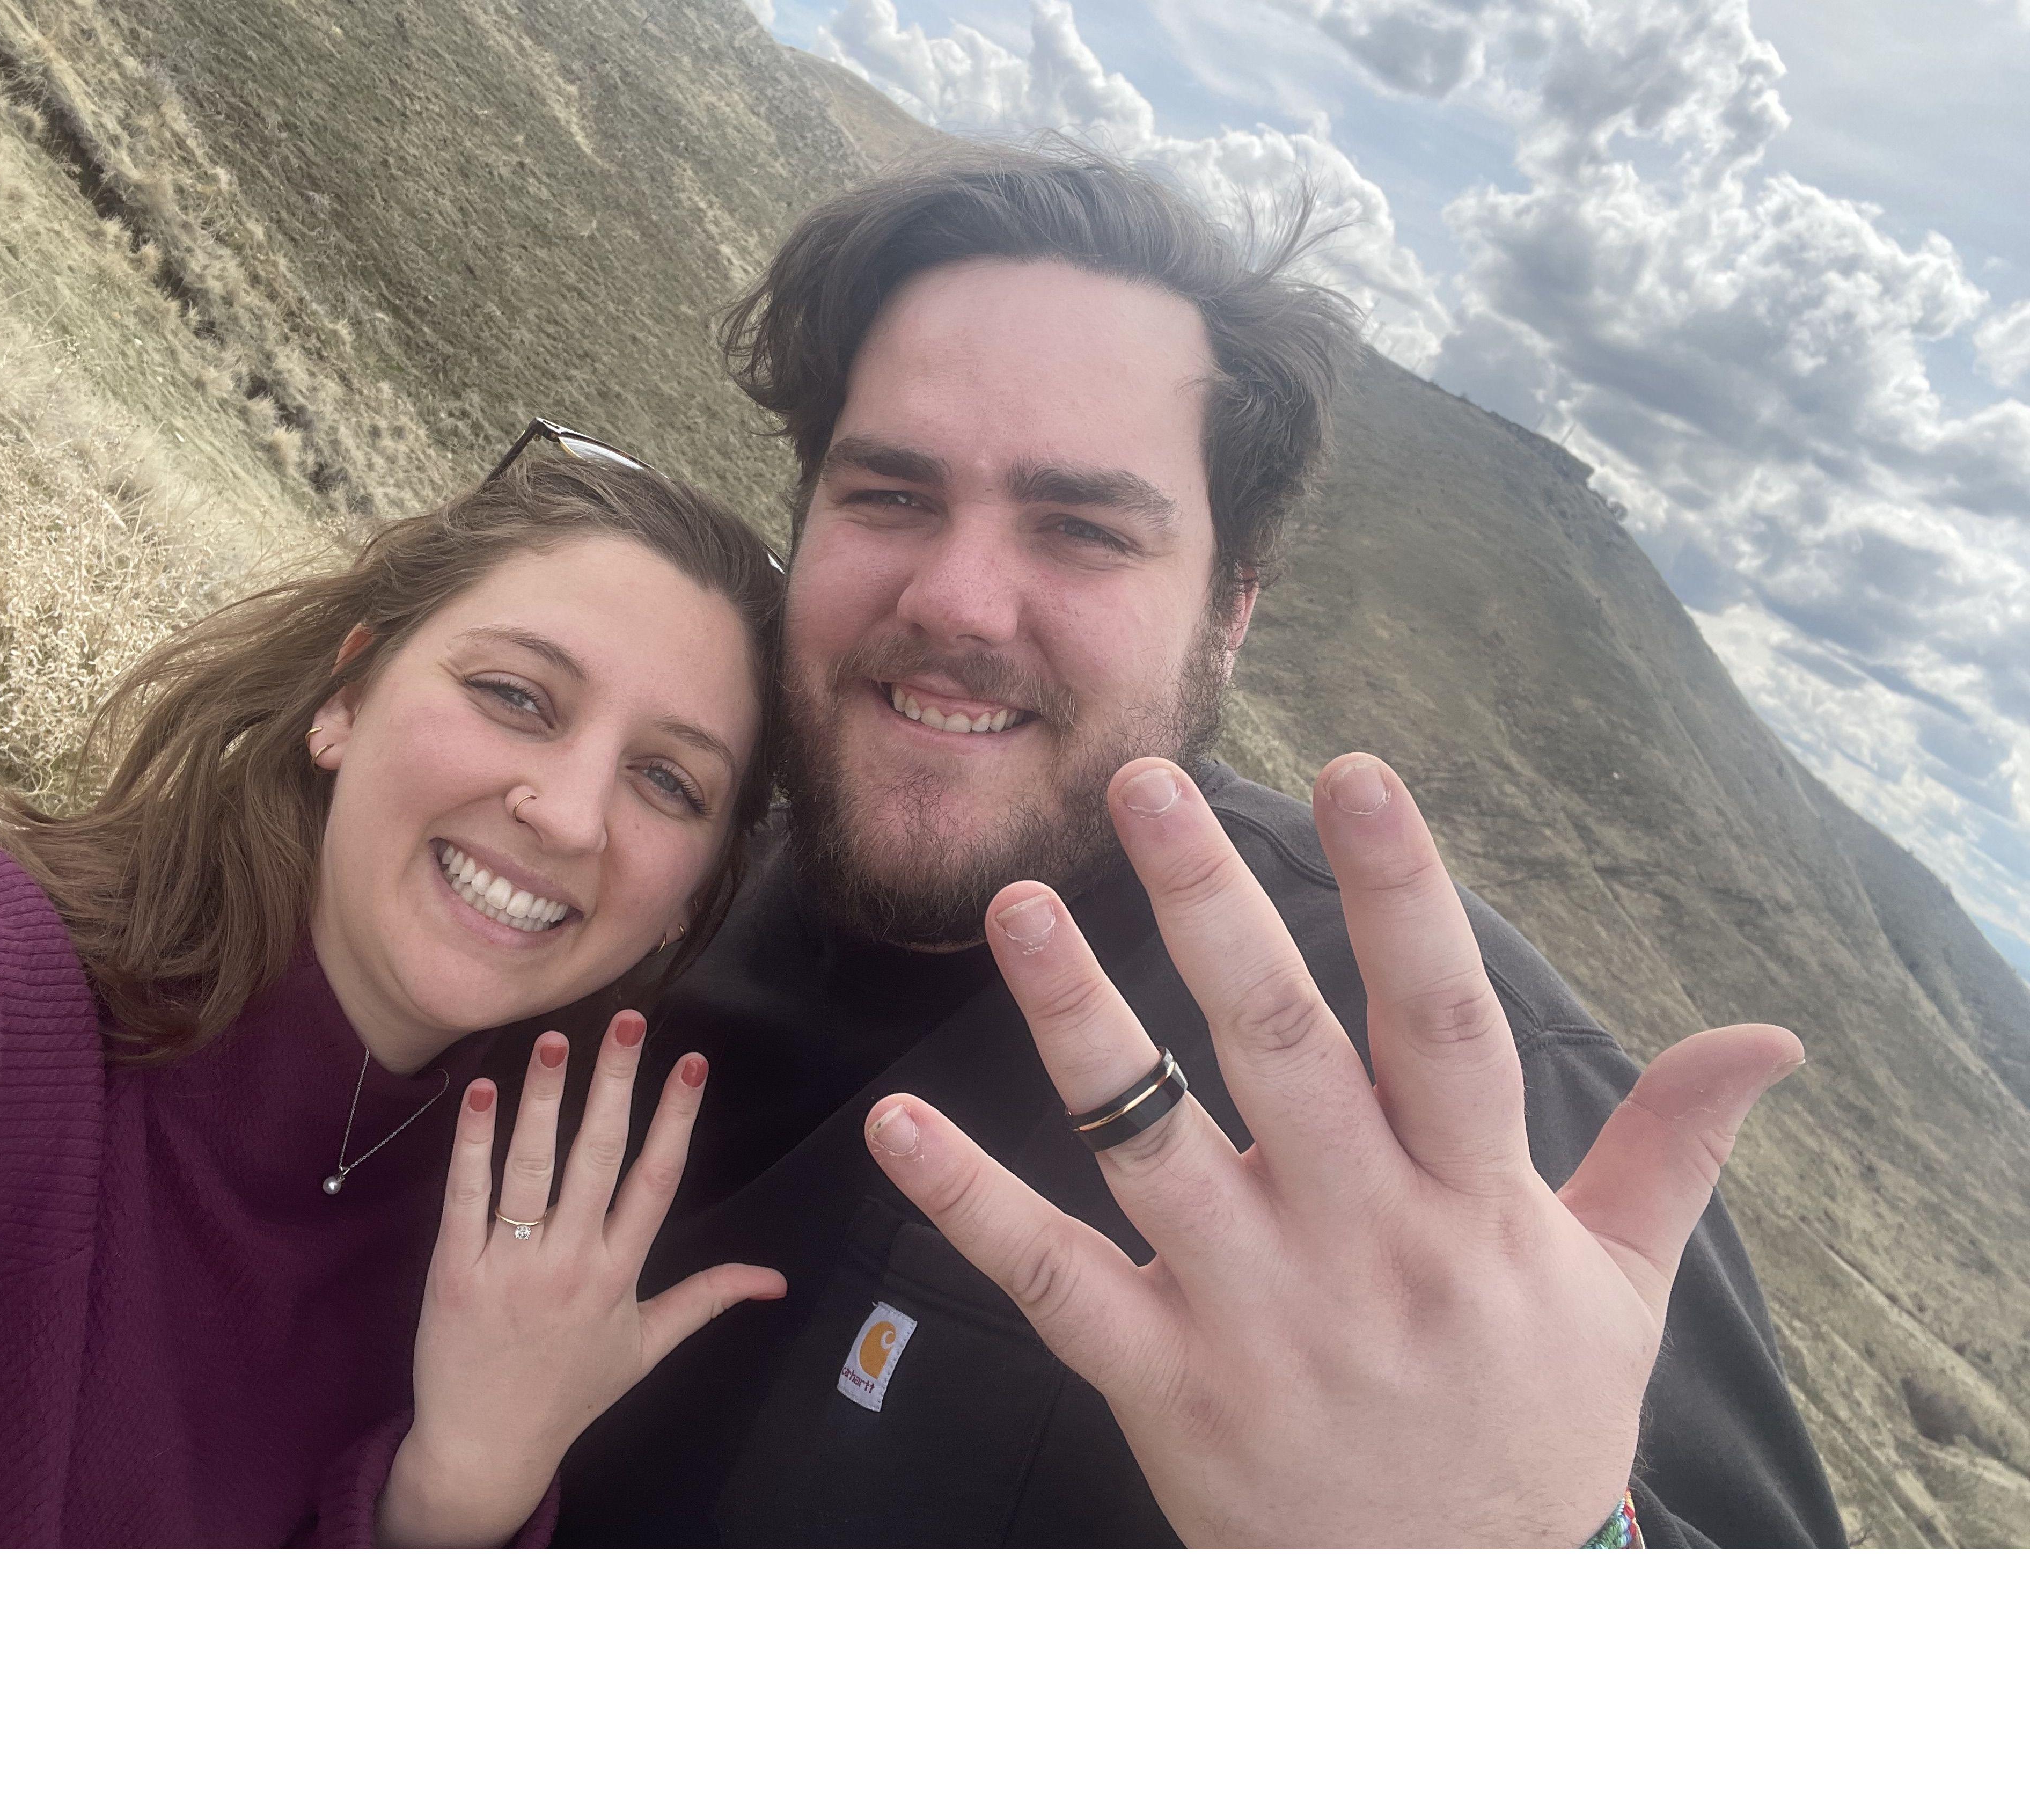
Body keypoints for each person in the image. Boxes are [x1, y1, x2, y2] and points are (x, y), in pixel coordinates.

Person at [550, 141, 1848, 1548]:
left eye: (1084, 529)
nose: (958, 599)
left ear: (1228, 608)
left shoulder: (1447, 1098)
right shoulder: (640, 878)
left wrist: (1534, 1556)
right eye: (891, 495)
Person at [0, 442, 789, 1547]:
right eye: (516, 696)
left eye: (669, 782)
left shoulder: (523, 1292)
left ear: (692, 900)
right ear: (347, 699)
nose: (572, 815)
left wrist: (452, 1497)